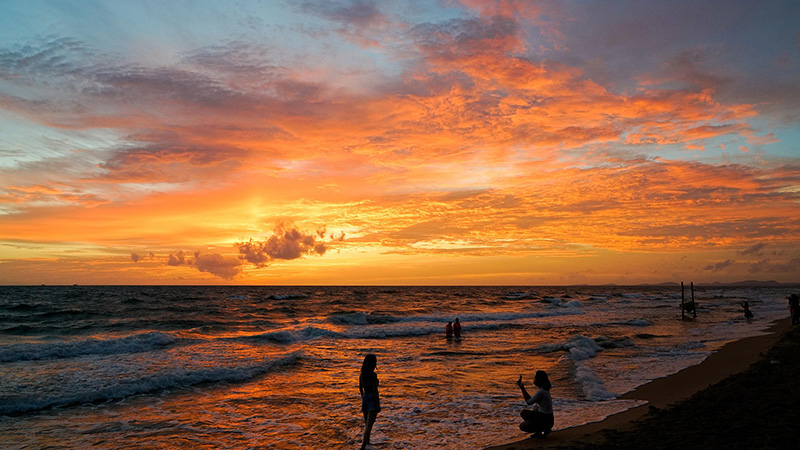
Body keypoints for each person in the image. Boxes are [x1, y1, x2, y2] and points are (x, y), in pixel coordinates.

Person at [516, 370, 554, 437]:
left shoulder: (541, 392)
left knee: (523, 425)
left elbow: (529, 402)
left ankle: (539, 431)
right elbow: (531, 400)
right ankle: (540, 431)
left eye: (535, 378)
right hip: (549, 419)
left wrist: (522, 388)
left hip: (545, 419)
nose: (534, 380)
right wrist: (522, 388)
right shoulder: (545, 390)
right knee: (526, 413)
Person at [359, 354, 381, 450]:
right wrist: (378, 404)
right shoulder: (373, 375)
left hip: (365, 398)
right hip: (372, 398)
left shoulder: (362, 374)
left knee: (367, 424)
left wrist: (363, 398)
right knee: (369, 426)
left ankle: (367, 443)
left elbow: (360, 387)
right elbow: (375, 391)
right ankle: (363, 446)